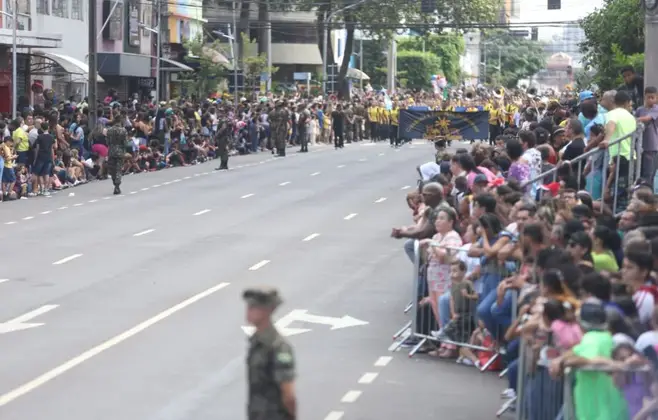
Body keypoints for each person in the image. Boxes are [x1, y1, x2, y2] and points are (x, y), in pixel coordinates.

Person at [244, 287, 296, 420]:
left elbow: (288, 393)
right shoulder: (256, 342)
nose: (248, 311)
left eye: (254, 307)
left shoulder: (278, 347)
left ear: (267, 311)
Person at [106, 113, 127, 195]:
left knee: (112, 169)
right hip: (120, 151)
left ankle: (115, 183)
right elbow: (125, 143)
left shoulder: (109, 130)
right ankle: (117, 185)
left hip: (111, 151)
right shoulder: (123, 130)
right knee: (118, 169)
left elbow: (107, 142)